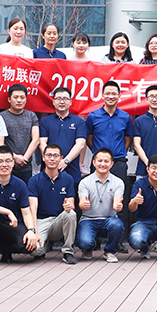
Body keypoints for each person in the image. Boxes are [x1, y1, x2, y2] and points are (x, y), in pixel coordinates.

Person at [86, 80, 134, 247]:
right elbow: (89, 139)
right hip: (98, 164)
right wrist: (101, 157)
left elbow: (127, 139)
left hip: (118, 163)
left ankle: (118, 240)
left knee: (119, 199)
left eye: (114, 93)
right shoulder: (93, 116)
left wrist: (115, 157)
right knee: (96, 199)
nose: (111, 96)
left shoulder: (125, 117)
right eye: (108, 93)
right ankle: (97, 238)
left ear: (119, 96)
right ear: (102, 95)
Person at [0, 146, 40, 268]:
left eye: (8, 161)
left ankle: (6, 250)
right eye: (0, 161)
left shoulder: (20, 184)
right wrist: (8, 212)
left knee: (29, 245)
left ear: (13, 163)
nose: (4, 165)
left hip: (11, 225)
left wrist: (31, 231)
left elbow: (26, 212)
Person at [29, 144, 78, 264]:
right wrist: (34, 232)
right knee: (35, 251)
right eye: (49, 155)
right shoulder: (34, 180)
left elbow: (71, 204)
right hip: (41, 221)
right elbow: (32, 208)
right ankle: (43, 245)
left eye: (55, 156)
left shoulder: (68, 179)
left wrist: (68, 206)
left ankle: (68, 252)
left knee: (71, 214)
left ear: (61, 158)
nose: (52, 158)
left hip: (58, 221)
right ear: (43, 157)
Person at [77, 149, 126, 262]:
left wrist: (117, 206)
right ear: (94, 163)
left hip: (109, 219)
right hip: (89, 219)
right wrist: (84, 205)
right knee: (84, 242)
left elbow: (117, 201)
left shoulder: (118, 182)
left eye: (106, 161)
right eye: (99, 161)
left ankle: (110, 251)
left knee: (117, 225)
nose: (103, 164)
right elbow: (81, 203)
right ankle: (88, 249)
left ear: (111, 164)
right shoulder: (85, 182)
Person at [38, 87, 88, 186]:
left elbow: (80, 144)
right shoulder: (45, 121)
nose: (61, 102)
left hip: (72, 171)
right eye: (58, 99)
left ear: (70, 102)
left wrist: (65, 161)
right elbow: (42, 143)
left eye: (65, 99)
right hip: (49, 171)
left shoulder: (79, 122)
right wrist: (52, 159)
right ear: (53, 102)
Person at [2, 84, 40, 183]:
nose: (19, 100)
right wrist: (14, 157)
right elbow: (0, 142)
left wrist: (24, 159)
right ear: (9, 99)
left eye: (22, 97)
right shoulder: (1, 117)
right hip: (7, 164)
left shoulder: (31, 116)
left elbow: (35, 140)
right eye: (15, 97)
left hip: (26, 165)